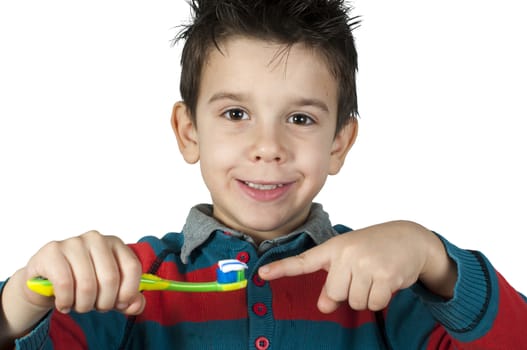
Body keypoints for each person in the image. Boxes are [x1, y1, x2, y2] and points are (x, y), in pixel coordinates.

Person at [1, 0, 526, 348]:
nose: (268, 147)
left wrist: (432, 256)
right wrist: (26, 297)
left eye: (300, 119)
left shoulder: (386, 289)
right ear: (188, 132)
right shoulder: (124, 284)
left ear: (339, 143)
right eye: (235, 114)